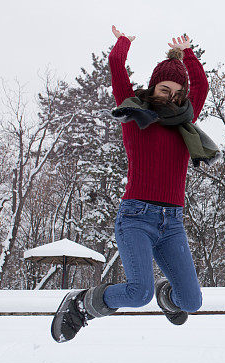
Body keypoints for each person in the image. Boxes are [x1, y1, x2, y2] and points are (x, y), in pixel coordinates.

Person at [51, 26, 216, 343]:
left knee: (191, 302)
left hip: (173, 223)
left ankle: (167, 296)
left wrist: (189, 52)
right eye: (164, 90)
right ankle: (81, 305)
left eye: (177, 93)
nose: (170, 97)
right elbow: (116, 68)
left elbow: (202, 86)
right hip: (136, 218)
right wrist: (123, 42)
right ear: (153, 88)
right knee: (138, 292)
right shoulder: (135, 117)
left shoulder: (185, 122)